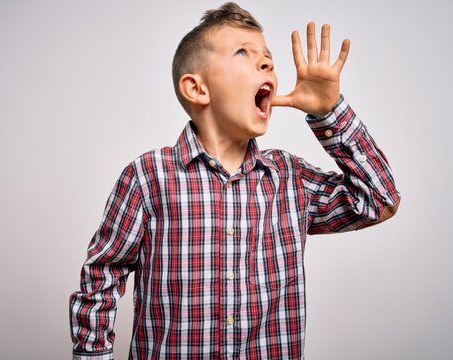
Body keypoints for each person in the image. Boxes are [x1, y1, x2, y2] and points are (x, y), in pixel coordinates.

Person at [69, 2, 401, 359]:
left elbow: (378, 199)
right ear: (197, 89)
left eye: (268, 57)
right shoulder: (148, 177)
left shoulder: (290, 179)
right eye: (243, 52)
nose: (267, 63)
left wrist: (328, 111)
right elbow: (101, 278)